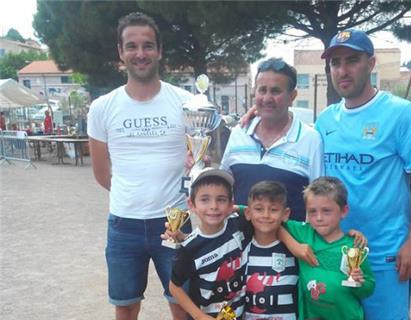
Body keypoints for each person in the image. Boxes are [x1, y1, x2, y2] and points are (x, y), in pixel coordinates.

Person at [316, 29, 411, 319]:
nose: (342, 70)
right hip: (335, 251)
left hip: (385, 255)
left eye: (352, 60)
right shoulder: (325, 119)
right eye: (335, 63)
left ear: (371, 64)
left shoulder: (402, 114)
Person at [87, 12, 193, 320]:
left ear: (159, 50)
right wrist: (133, 195)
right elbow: (101, 173)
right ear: (121, 52)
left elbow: (200, 160)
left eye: (148, 45)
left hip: (174, 221)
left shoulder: (186, 102)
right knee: (126, 305)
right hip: (124, 224)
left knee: (182, 303)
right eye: (131, 46)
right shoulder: (102, 107)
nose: (140, 53)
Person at [220, 57, 323, 221]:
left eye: (275, 91)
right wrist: (200, 168)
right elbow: (221, 187)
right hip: (239, 244)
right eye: (262, 90)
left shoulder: (311, 139)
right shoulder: (239, 133)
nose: (267, 98)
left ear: (292, 96)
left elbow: (318, 202)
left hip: (288, 245)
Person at [283, 177, 375, 320]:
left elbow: (369, 289)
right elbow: (269, 219)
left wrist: (359, 283)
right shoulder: (304, 233)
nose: (319, 218)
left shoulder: (354, 246)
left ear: (343, 211)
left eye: (326, 211)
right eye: (312, 211)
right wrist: (238, 208)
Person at [169, 168, 252, 319]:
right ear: (192, 205)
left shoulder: (239, 222)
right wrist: (199, 316)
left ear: (230, 204)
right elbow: (174, 287)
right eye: (205, 199)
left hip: (241, 313)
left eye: (221, 199)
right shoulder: (189, 248)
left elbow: (262, 215)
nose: (213, 206)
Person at [243, 181, 298, 320]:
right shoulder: (240, 250)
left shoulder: (294, 249)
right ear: (248, 213)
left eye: (273, 210)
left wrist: (352, 236)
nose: (266, 215)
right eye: (259, 209)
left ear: (285, 214)